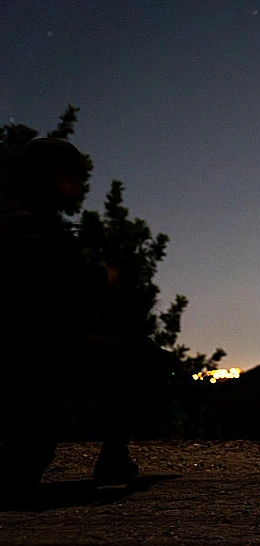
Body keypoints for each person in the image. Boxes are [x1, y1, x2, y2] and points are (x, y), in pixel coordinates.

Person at [0, 138, 139, 499]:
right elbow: (41, 298)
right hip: (30, 355)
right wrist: (99, 278)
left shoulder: (30, 222)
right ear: (45, 178)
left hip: (33, 354)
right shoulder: (22, 224)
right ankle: (113, 456)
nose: (78, 186)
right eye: (70, 177)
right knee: (129, 354)